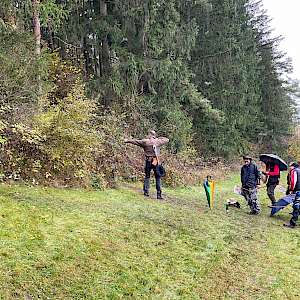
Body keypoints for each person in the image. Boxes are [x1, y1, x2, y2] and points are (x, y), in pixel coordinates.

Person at [125, 130, 169, 199]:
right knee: (158, 177)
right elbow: (167, 139)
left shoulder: (145, 141)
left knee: (147, 176)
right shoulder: (158, 141)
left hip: (148, 160)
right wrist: (157, 138)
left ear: (149, 135)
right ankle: (159, 194)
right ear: (154, 135)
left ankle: (146, 192)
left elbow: (135, 141)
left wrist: (127, 140)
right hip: (155, 161)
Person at [284, 162, 300, 228]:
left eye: (290, 166)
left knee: (296, 206)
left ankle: (292, 223)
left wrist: (291, 190)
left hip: (297, 191)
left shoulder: (294, 171)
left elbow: (293, 182)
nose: (289, 167)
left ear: (293, 166)